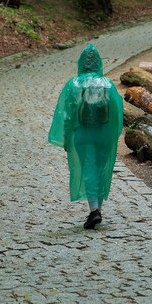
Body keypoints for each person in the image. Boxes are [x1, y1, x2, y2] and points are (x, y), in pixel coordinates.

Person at [48, 44, 124, 229]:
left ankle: (94, 211)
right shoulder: (108, 84)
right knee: (101, 168)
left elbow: (66, 115)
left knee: (88, 168)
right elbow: (117, 112)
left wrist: (66, 137)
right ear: (99, 63)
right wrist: (113, 135)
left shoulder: (73, 84)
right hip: (104, 133)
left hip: (82, 133)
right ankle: (98, 209)